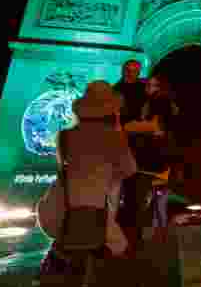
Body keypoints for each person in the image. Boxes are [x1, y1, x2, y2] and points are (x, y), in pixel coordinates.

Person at [36, 81, 137, 276]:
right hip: (96, 222)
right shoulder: (115, 139)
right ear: (112, 111)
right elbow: (130, 170)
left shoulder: (64, 136)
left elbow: (65, 168)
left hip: (55, 217)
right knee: (122, 254)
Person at [120, 74, 179, 249]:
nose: (150, 88)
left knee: (137, 202)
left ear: (161, 88)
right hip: (151, 161)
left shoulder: (159, 103)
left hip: (148, 162)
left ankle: (134, 240)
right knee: (142, 202)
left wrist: (130, 127)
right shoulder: (155, 103)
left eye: (154, 85)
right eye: (148, 85)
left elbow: (154, 129)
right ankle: (138, 238)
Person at [113, 59, 147, 127]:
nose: (130, 73)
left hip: (141, 122)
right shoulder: (116, 89)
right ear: (122, 71)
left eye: (134, 71)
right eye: (127, 70)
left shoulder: (144, 86)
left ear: (138, 73)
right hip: (125, 125)